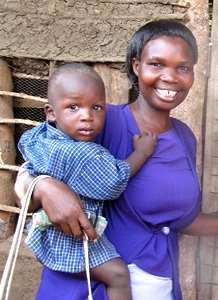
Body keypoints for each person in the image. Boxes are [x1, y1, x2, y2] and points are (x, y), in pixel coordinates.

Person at [14, 20, 218, 300]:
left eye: (183, 67)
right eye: (156, 64)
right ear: (136, 66)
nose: (170, 77)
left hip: (158, 283)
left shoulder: (184, 138)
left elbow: (181, 221)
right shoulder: (99, 120)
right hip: (90, 284)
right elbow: (29, 173)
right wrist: (45, 188)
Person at [17, 63, 157, 300]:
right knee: (119, 275)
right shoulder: (85, 154)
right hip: (69, 241)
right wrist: (141, 153)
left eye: (96, 107)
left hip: (44, 233)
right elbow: (115, 181)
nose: (87, 116)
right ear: (51, 112)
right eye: (73, 107)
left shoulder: (40, 135)